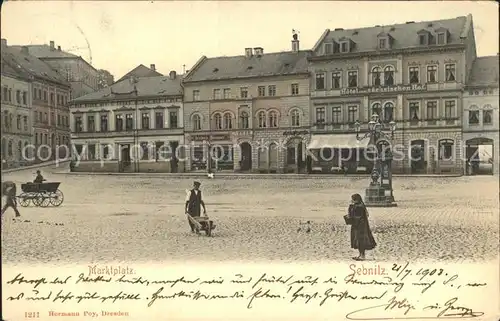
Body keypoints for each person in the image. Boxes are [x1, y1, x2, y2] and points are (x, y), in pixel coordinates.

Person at [347, 193, 376, 261]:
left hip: (360, 226)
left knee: (361, 240)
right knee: (358, 240)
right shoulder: (359, 205)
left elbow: (356, 216)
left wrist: (350, 209)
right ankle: (361, 255)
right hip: (359, 226)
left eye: (353, 199)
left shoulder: (359, 206)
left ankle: (362, 255)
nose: (352, 200)